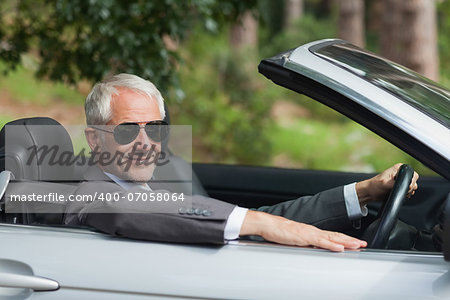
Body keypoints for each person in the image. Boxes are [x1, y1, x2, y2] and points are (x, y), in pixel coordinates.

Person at [63, 73, 419, 252]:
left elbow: (255, 223)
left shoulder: (154, 182)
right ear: (95, 139)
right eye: (127, 131)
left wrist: (362, 192)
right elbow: (131, 211)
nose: (145, 142)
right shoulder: (89, 194)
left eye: (155, 128)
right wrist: (260, 223)